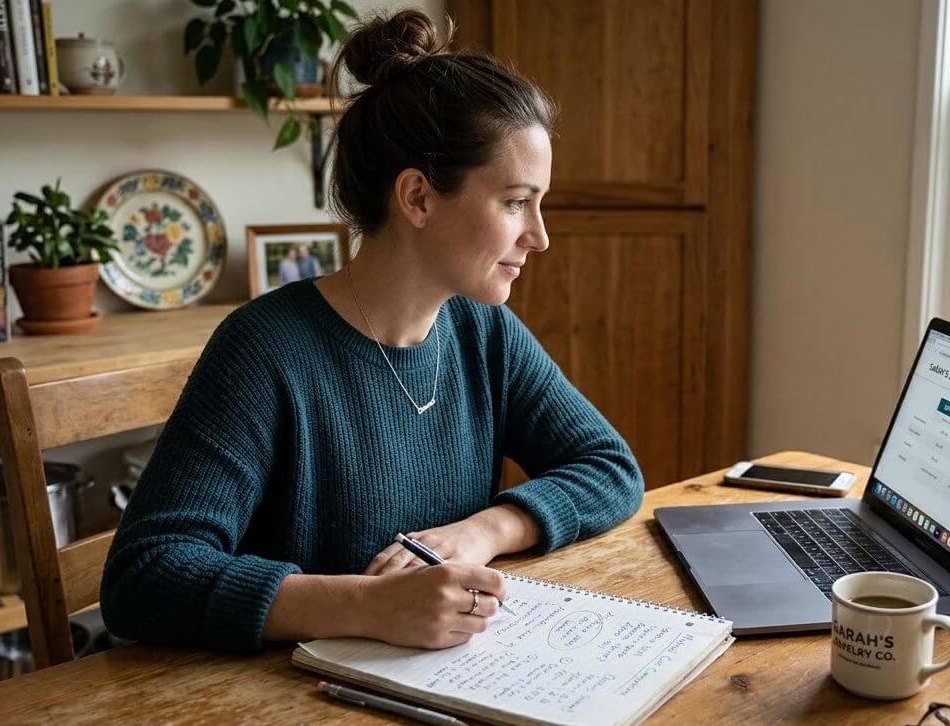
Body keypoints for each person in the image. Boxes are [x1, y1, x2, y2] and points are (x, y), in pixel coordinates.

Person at [100, 9, 643, 655]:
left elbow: (609, 470)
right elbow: (144, 578)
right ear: (416, 197)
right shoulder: (265, 349)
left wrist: (485, 530)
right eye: (515, 202)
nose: (539, 236)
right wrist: (367, 605)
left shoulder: (483, 331)